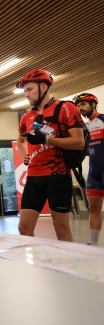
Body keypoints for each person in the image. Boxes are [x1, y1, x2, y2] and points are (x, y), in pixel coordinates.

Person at [16, 70, 84, 242]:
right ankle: (33, 266)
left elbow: (79, 142)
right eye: (25, 91)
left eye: (29, 89)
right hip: (34, 177)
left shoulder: (66, 108)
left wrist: (47, 139)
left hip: (58, 176)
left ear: (44, 87)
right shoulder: (27, 115)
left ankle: (68, 266)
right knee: (24, 228)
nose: (27, 94)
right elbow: (20, 141)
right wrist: (25, 156)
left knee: (61, 228)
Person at [74, 93, 103, 246]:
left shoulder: (103, 120)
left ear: (93, 105)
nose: (80, 108)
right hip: (93, 171)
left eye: (83, 104)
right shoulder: (83, 127)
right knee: (94, 209)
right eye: (78, 106)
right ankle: (93, 244)